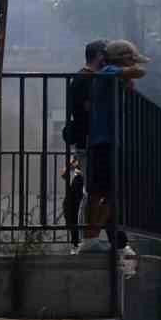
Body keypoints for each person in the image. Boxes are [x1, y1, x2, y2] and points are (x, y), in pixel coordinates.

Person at [81, 38, 149, 255]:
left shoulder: (109, 76)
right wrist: (128, 71)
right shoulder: (108, 71)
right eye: (130, 59)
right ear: (122, 60)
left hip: (104, 141)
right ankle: (91, 238)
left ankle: (91, 238)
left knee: (99, 192)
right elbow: (139, 72)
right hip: (105, 141)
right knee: (110, 192)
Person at [61, 39, 106, 249]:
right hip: (88, 143)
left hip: (87, 142)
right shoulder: (85, 79)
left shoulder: (83, 78)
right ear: (98, 56)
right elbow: (86, 109)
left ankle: (87, 239)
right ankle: (87, 240)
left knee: (94, 191)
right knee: (92, 191)